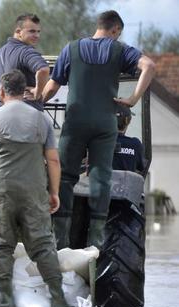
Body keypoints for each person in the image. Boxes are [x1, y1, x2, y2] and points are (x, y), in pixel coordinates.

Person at [41, 10, 155, 249]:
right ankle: (95, 246)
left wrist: (35, 103)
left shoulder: (71, 49)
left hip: (75, 123)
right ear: (115, 30)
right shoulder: (120, 49)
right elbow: (149, 66)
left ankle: (60, 244)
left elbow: (52, 87)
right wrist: (133, 98)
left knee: (65, 178)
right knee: (101, 179)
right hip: (105, 124)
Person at [0, 70, 70, 307]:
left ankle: (7, 299)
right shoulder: (41, 120)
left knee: (1, 244)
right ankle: (58, 298)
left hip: (2, 190)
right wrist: (54, 192)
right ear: (25, 92)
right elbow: (53, 161)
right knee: (43, 243)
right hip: (34, 189)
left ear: (1, 92)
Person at [0, 13, 50, 110]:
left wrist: (0, 97)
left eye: (38, 31)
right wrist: (37, 93)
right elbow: (43, 70)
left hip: (1, 113)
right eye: (32, 31)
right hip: (27, 112)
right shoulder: (26, 51)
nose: (37, 35)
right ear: (18, 31)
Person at [112, 103, 146, 174]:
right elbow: (141, 167)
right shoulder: (135, 145)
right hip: (127, 185)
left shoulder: (99, 143)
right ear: (127, 121)